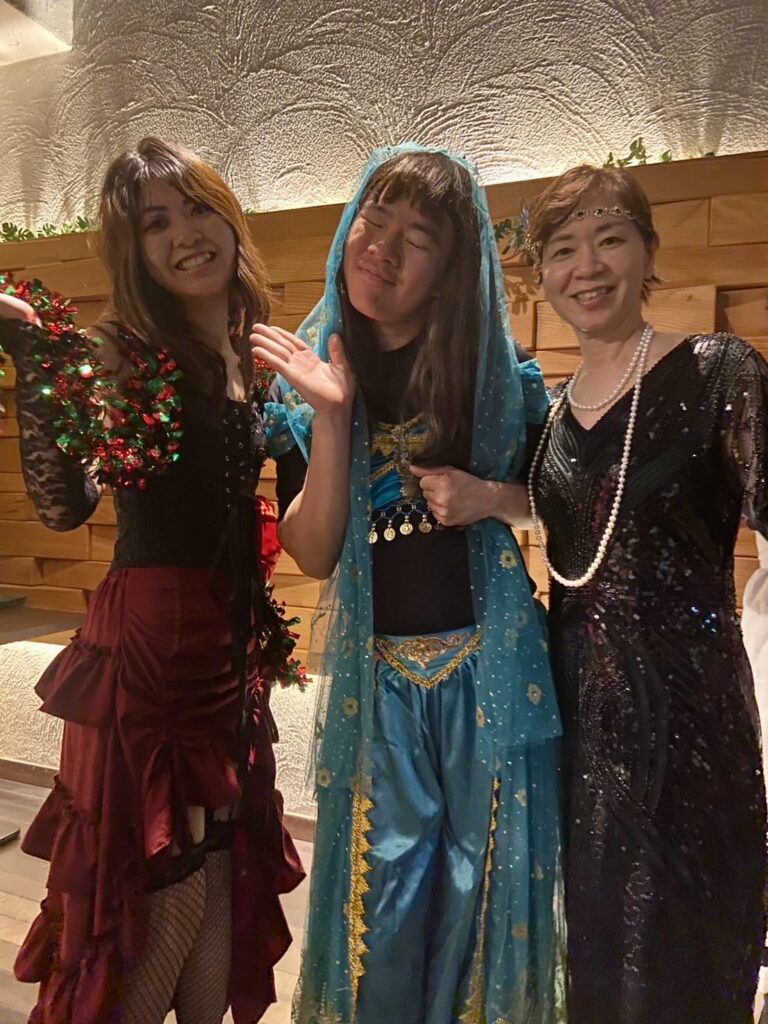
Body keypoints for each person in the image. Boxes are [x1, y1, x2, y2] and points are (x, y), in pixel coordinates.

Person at [252, 144, 564, 1024]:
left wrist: (491, 498)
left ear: (451, 269)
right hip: (379, 683)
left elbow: (557, 504)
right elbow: (314, 552)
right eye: (373, 221)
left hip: (491, 674)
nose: (380, 249)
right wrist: (333, 416)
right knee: (382, 910)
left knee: (482, 901)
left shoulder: (494, 374)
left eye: (416, 239)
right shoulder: (312, 369)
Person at [0, 136, 304, 1024]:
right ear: (133, 251)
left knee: (221, 874)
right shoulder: (125, 352)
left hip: (229, 652)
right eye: (155, 223)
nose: (184, 235)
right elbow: (65, 503)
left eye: (197, 209)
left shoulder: (253, 354)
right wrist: (35, 356)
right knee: (160, 883)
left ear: (230, 218)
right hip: (152, 660)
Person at [519, 164, 765, 1023]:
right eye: (563, 249)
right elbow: (590, 515)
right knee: (596, 957)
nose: (587, 267)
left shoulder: (719, 372)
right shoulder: (552, 415)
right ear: (541, 274)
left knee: (685, 954)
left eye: (610, 239)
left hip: (691, 725)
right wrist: (483, 499)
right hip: (583, 733)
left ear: (649, 252)